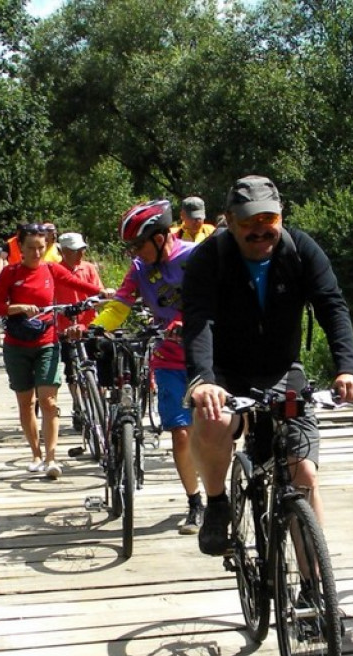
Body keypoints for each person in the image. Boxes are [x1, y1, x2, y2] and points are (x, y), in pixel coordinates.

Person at [182, 175, 353, 556]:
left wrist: (347, 367)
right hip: (225, 373)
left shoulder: (300, 250)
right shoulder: (209, 257)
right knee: (212, 419)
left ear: (281, 216)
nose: (260, 230)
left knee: (303, 474)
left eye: (268, 219)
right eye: (248, 221)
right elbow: (198, 320)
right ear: (229, 221)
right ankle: (217, 504)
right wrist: (203, 379)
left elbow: (332, 306)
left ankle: (314, 592)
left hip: (283, 369)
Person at [91, 200, 205, 535]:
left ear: (159, 237)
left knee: (212, 433)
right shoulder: (141, 268)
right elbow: (120, 304)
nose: (134, 253)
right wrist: (95, 329)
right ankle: (195, 501)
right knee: (182, 435)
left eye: (137, 245)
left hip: (206, 359)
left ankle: (220, 496)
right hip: (168, 360)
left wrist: (186, 321)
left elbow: (212, 300)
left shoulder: (194, 257)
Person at [0, 223, 106, 479]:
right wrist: (19, 307)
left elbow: (79, 284)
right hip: (17, 345)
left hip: (47, 341)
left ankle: (52, 457)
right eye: (30, 248)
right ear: (20, 247)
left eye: (41, 248)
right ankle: (35, 453)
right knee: (26, 402)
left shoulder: (52, 269)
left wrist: (104, 293)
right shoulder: (10, 273)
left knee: (49, 401)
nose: (36, 253)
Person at [54, 232, 110, 439]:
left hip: (89, 325)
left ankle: (98, 400)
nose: (80, 254)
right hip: (65, 327)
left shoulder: (88, 268)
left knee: (99, 361)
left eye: (82, 250)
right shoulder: (56, 271)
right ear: (63, 252)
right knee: (71, 368)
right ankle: (78, 405)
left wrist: (102, 299)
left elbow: (100, 292)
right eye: (75, 251)